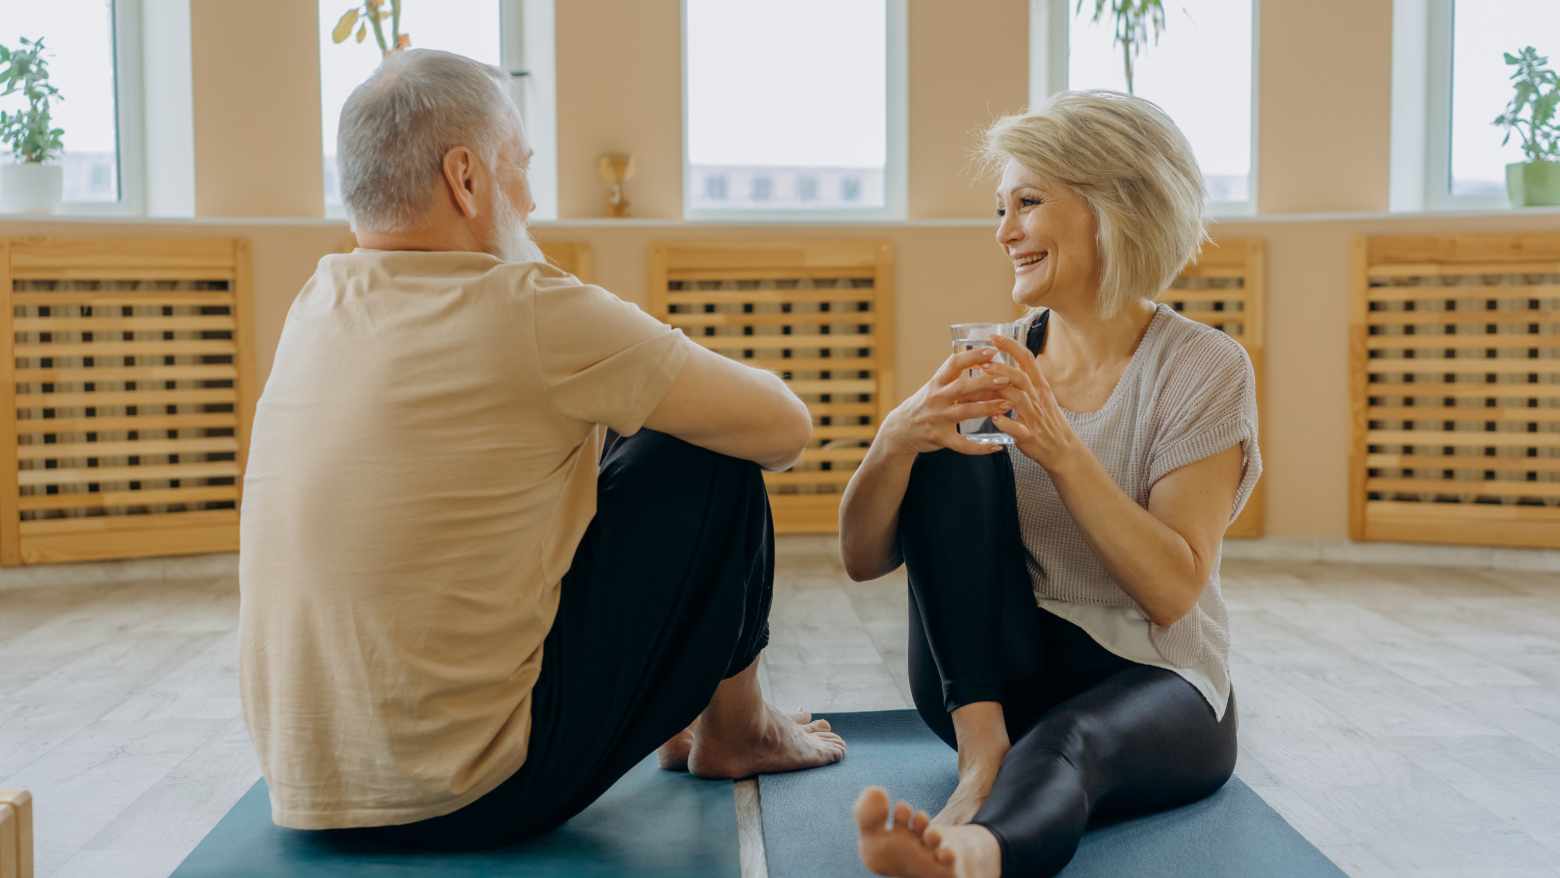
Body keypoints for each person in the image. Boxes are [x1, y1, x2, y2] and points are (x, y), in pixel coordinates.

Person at [238, 49, 844, 848]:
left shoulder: (317, 302)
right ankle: (740, 731)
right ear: (466, 177)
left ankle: (697, 719)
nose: (530, 199)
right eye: (518, 168)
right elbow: (783, 428)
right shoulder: (524, 307)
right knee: (707, 453)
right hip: (471, 793)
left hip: (308, 788)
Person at [842, 90, 1261, 878]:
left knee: (1072, 744)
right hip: (985, 686)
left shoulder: (1204, 368)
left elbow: (1172, 592)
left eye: (1028, 203)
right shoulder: (994, 358)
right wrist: (895, 441)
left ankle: (970, 855)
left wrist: (1062, 449)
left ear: (1116, 206)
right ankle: (982, 755)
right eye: (1002, 208)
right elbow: (863, 559)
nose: (1004, 233)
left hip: (1151, 680)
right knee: (938, 446)